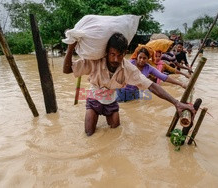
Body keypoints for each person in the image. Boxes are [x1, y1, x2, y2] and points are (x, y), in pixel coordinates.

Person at [63, 32, 195, 136]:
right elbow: (67, 70)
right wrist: (70, 48)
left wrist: (176, 103)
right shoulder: (94, 61)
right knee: (89, 134)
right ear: (107, 52)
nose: (115, 59)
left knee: (116, 131)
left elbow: (151, 85)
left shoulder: (129, 68)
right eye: (112, 54)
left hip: (111, 102)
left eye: (119, 55)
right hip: (94, 100)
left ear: (125, 53)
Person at [116, 47, 187, 102]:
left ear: (148, 59)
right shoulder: (130, 63)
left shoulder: (148, 68)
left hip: (134, 94)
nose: (141, 60)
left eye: (144, 58)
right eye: (140, 57)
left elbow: (164, 77)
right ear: (137, 57)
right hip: (121, 92)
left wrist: (181, 84)